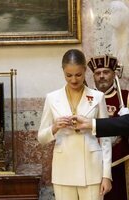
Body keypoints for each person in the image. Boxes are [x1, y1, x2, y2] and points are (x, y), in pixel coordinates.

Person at [38, 49, 112, 200]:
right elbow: (41, 138)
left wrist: (106, 175)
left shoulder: (98, 97)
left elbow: (105, 140)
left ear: (85, 70)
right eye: (68, 75)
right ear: (63, 71)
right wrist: (55, 127)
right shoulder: (52, 98)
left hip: (92, 170)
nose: (73, 80)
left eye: (78, 75)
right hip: (63, 169)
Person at [88, 54, 129, 200]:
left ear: (114, 74)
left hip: (119, 159)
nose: (101, 76)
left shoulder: (125, 97)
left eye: (106, 72)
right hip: (92, 160)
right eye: (98, 73)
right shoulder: (86, 97)